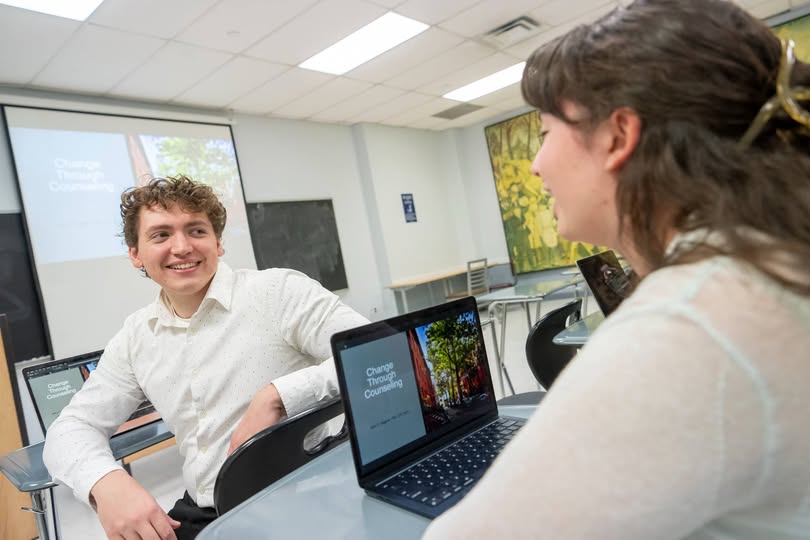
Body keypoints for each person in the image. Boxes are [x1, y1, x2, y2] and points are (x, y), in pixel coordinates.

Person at [424, 0, 810, 538]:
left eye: (544, 135)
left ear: (617, 136)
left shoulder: (687, 326)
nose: (536, 166)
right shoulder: (772, 258)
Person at [43, 175, 368, 540]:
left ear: (218, 242)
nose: (181, 247)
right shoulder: (136, 337)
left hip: (308, 503)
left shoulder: (278, 293)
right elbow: (70, 429)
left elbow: (374, 352)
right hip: (207, 510)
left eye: (196, 230)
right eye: (161, 235)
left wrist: (279, 395)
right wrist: (105, 482)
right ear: (135, 254)